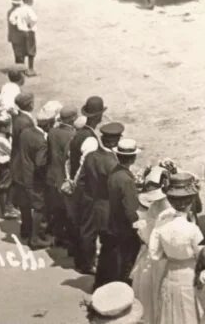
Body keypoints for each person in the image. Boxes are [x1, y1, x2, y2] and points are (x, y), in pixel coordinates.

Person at [150, 172, 204, 324]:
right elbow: (201, 254)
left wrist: (171, 253)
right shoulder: (192, 229)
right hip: (190, 275)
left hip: (170, 275)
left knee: (172, 314)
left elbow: (154, 254)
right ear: (190, 201)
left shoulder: (162, 225)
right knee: (190, 313)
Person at [69, 96, 109, 274]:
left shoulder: (78, 134)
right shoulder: (91, 140)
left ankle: (81, 258)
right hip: (87, 189)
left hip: (78, 186)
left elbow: (69, 161)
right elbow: (86, 167)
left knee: (82, 224)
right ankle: (86, 262)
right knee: (89, 227)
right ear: (98, 117)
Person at [83, 122, 125, 289]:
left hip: (96, 207)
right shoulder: (112, 162)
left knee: (107, 248)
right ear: (113, 142)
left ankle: (101, 281)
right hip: (110, 210)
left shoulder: (91, 157)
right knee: (114, 249)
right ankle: (110, 283)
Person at [131, 166, 174, 323]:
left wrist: (143, 229)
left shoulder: (162, 208)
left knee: (152, 293)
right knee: (154, 293)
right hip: (158, 253)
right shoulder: (161, 206)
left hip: (156, 254)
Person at [98, 138, 142, 288]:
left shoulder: (115, 172)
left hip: (113, 220)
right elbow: (131, 209)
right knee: (126, 259)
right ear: (133, 158)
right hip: (123, 227)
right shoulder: (126, 180)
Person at [13, 100, 56, 249]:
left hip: (20, 174)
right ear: (50, 124)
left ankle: (26, 230)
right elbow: (40, 163)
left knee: (24, 205)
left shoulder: (27, 131)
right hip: (32, 179)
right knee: (39, 207)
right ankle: (36, 238)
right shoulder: (41, 141)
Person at [46, 104, 79, 252]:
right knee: (69, 211)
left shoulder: (52, 131)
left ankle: (58, 236)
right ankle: (68, 240)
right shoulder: (72, 135)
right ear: (73, 119)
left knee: (57, 210)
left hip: (52, 175)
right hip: (64, 177)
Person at [9, 0, 38, 76]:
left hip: (20, 33)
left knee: (21, 51)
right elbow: (34, 19)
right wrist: (30, 24)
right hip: (29, 32)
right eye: (31, 0)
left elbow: (11, 19)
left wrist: (18, 24)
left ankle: (21, 70)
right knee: (31, 50)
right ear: (28, 1)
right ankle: (30, 69)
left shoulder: (18, 9)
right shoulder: (29, 9)